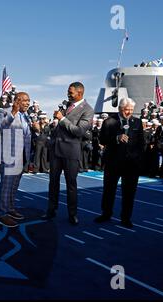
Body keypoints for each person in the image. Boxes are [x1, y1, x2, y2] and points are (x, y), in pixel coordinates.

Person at [41, 82, 94, 225]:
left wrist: (62, 119)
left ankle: (72, 214)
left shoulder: (88, 110)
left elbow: (78, 131)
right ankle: (51, 210)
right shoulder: (66, 106)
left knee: (71, 184)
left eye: (70, 92)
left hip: (70, 152)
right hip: (56, 150)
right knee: (53, 183)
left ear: (80, 93)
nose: (68, 94)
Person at [94, 98, 145, 228]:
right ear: (120, 109)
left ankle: (126, 218)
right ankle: (106, 213)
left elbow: (141, 143)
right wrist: (117, 138)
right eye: (126, 109)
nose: (129, 112)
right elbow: (102, 139)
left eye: (131, 110)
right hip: (113, 162)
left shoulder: (137, 122)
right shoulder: (109, 121)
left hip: (131, 165)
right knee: (108, 190)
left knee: (129, 192)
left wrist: (138, 160)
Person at [0, 92, 33, 227]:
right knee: (6, 186)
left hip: (22, 157)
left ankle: (10, 208)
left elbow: (26, 137)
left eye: (28, 100)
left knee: (14, 186)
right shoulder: (3, 111)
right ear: (17, 101)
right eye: (25, 100)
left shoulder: (26, 116)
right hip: (9, 156)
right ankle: (2, 213)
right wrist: (13, 112)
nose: (28, 103)